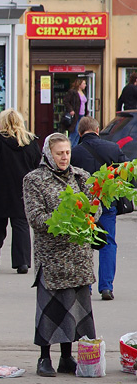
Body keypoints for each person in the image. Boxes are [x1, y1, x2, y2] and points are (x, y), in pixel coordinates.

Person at [23, 133, 97, 377]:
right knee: (50, 310)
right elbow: (35, 218)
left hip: (78, 257)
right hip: (52, 257)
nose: (64, 157)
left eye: (67, 152)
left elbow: (94, 209)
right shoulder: (34, 180)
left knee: (74, 310)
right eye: (59, 153)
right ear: (48, 154)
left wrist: (88, 217)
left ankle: (67, 357)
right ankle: (44, 358)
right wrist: (63, 219)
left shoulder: (81, 176)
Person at [0, 109, 41, 274]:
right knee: (21, 225)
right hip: (23, 192)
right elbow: (37, 169)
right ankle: (22, 263)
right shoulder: (31, 141)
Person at [70, 116, 125, 301]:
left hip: (83, 204)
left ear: (80, 132)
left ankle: (86, 286)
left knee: (82, 243)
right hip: (107, 202)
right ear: (98, 129)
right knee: (108, 243)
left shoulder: (74, 152)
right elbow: (126, 174)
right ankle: (106, 287)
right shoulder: (113, 148)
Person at [63, 78, 87, 146]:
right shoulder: (73, 92)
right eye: (84, 83)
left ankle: (74, 147)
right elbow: (66, 101)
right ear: (79, 84)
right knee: (75, 131)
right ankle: (69, 146)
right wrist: (71, 110)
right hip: (76, 114)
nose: (85, 85)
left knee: (79, 132)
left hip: (82, 114)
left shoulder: (83, 92)